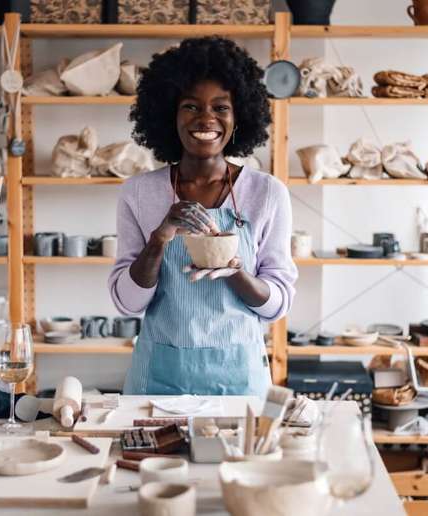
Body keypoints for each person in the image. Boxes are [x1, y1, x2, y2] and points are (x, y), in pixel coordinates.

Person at [108, 37, 297, 397]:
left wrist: (235, 271)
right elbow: (127, 303)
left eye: (221, 108)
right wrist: (160, 237)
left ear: (239, 116)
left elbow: (277, 305)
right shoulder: (138, 193)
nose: (206, 119)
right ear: (169, 115)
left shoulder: (267, 193)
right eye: (191, 107)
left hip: (239, 378)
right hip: (159, 379)